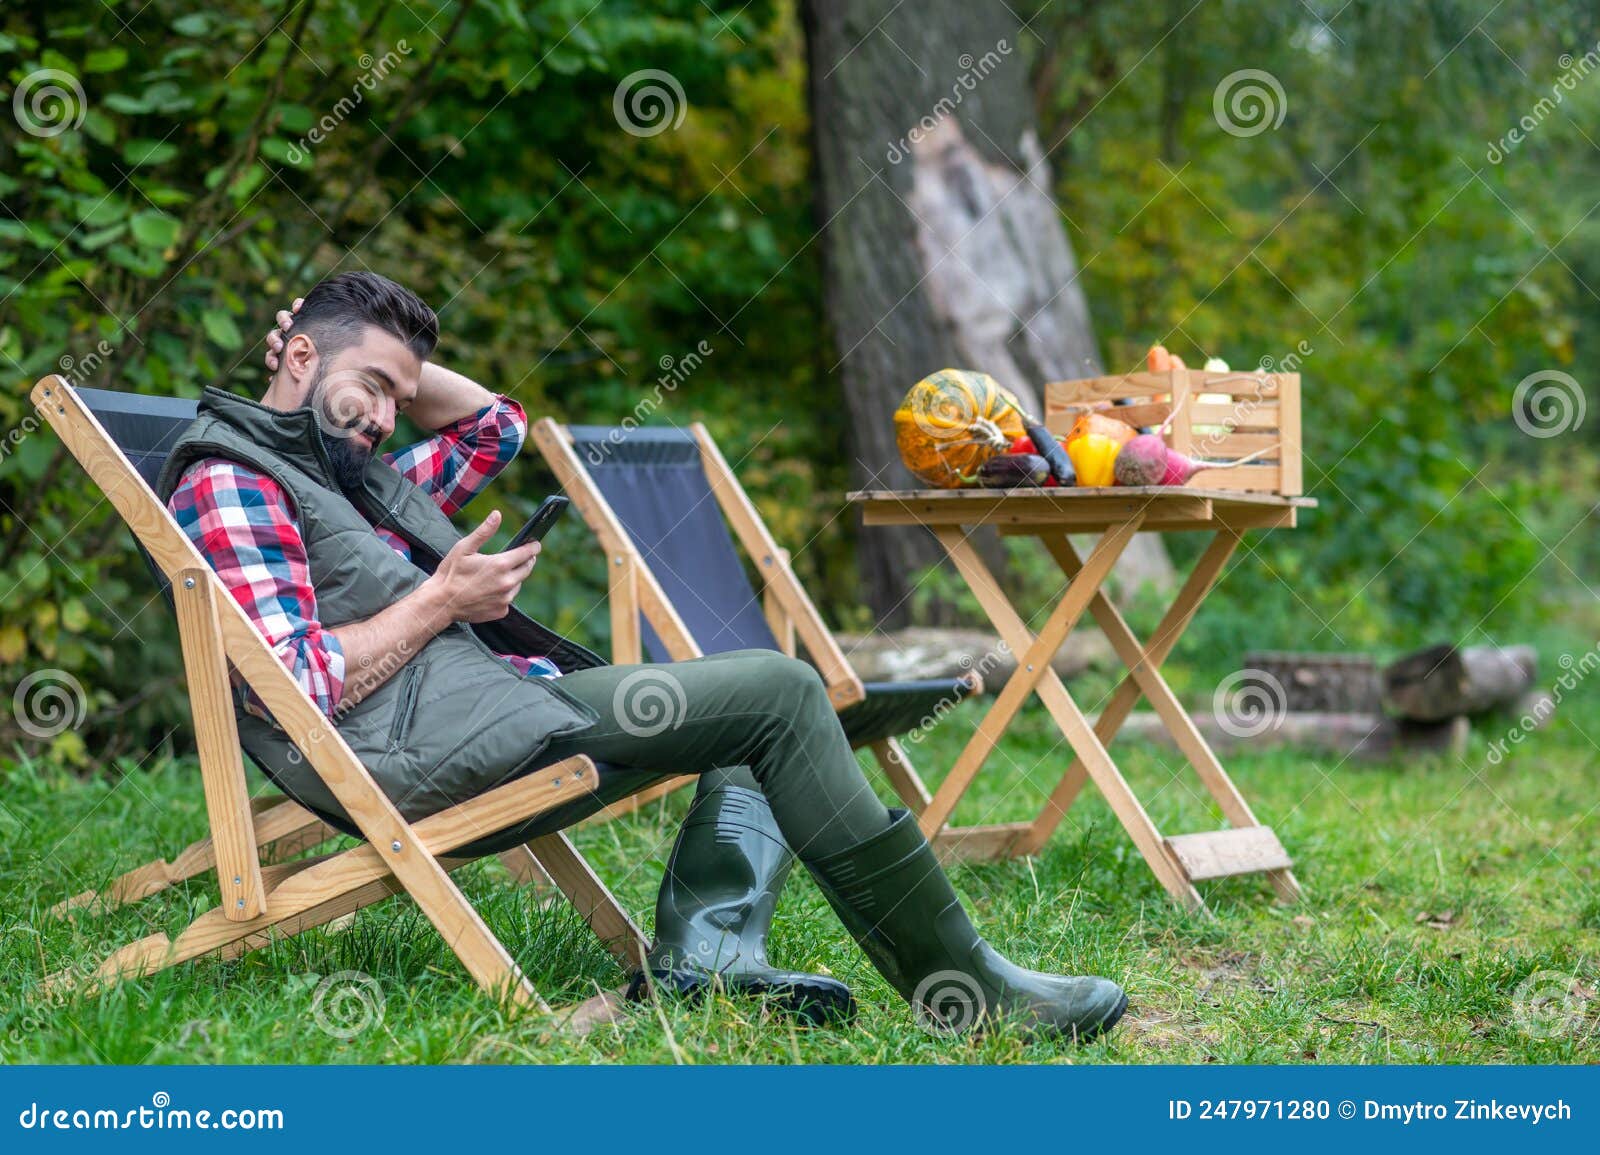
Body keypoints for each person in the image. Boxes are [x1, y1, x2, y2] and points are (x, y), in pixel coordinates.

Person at [158, 270, 1128, 1042]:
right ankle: (968, 992)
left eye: (395, 398)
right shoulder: (237, 477)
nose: (383, 414)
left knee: (754, 708)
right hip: (413, 758)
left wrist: (384, 364)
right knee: (783, 694)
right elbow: (298, 687)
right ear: (292, 354)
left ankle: (709, 956)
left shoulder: (345, 469)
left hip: (489, 707)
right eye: (370, 387)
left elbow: (493, 423)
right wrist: (440, 601)